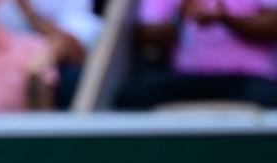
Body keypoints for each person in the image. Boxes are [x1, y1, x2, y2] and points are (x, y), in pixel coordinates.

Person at [116, 0, 277, 109]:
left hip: (249, 78)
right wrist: (178, 16)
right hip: (185, 78)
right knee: (133, 97)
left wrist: (226, 19)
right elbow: (147, 36)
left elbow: (272, 26)